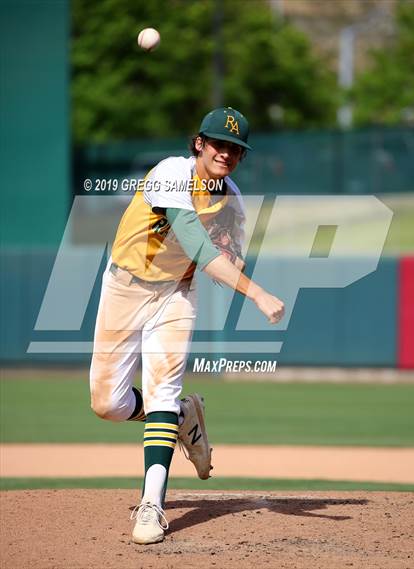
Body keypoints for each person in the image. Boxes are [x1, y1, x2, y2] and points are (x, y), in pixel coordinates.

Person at [89, 107, 285, 545]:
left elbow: (227, 253)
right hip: (125, 286)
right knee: (108, 405)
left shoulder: (231, 199)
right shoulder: (170, 173)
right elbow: (194, 241)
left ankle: (151, 506)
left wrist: (231, 260)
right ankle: (182, 416)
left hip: (176, 294)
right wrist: (255, 293)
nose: (227, 153)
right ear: (199, 143)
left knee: (162, 388)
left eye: (236, 149)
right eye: (219, 144)